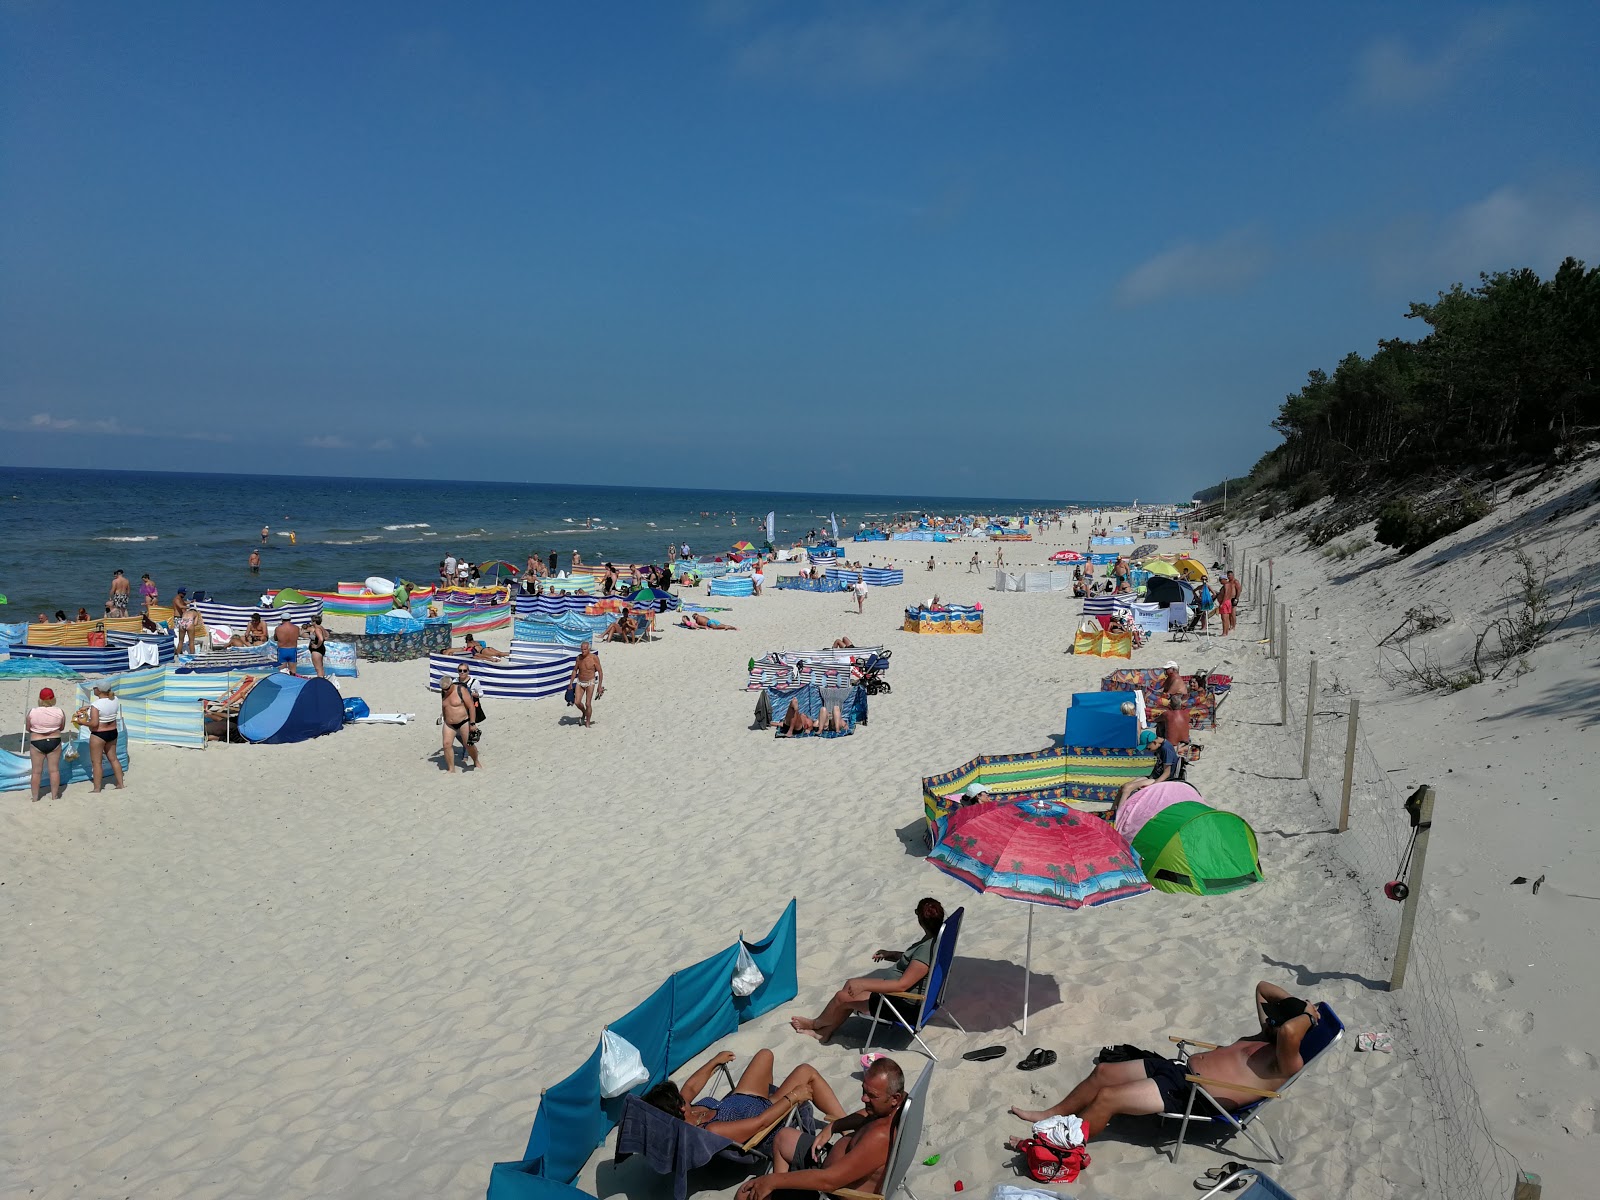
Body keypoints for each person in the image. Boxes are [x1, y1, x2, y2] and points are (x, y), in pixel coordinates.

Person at [1008, 981, 1321, 1140]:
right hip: (1179, 1073)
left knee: (1108, 1099)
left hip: (1196, 1096)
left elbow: (1292, 1031)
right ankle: (1050, 1114)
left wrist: (1306, 1015)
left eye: (1282, 1022)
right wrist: (1298, 1005)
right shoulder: (1267, 1034)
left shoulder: (1287, 1064)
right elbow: (1263, 988)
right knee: (1103, 1071)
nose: (1276, 1022)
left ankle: (1062, 1143)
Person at [736, 1057, 907, 1200]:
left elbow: (829, 1181)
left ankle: (778, 1190)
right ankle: (780, 1194)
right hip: (825, 1165)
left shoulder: (879, 1136)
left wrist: (773, 1180)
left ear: (895, 1098)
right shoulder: (897, 1107)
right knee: (783, 1137)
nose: (863, 1098)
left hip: (831, 1191)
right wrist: (833, 1126)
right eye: (864, 1091)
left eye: (872, 1096)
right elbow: (865, 1114)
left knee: (744, 1194)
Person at [791, 898, 944, 1042]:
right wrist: (890, 954)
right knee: (851, 984)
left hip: (902, 1004)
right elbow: (913, 961)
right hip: (900, 995)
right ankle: (824, 1033)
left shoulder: (926, 950)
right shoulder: (935, 938)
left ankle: (815, 1024)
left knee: (842, 997)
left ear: (920, 920)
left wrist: (864, 986)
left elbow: (902, 985)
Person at [644, 1048, 848, 1147]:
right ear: (679, 1108)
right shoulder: (711, 1130)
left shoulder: (684, 1115)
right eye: (680, 1100)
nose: (683, 1097)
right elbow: (760, 1123)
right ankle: (847, 1127)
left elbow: (690, 1086)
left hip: (742, 1097)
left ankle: (774, 1092)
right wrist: (794, 1096)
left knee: (765, 1055)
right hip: (765, 1112)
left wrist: (715, 1061)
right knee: (806, 1072)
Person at [1115, 719, 1180, 810]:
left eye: (1148, 748)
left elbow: (1167, 773)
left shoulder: (1166, 750)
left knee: (1127, 788)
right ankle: (1112, 811)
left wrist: (1153, 785)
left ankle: (1118, 815)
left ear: (1154, 742)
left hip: (1161, 780)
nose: (1148, 750)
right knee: (1123, 787)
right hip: (1153, 777)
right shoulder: (1160, 746)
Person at [74, 684, 126, 793]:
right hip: (112, 732)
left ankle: (97, 788)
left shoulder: (96, 705)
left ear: (99, 690)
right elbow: (105, 707)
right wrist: (89, 707)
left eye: (95, 688)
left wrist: (81, 722)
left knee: (96, 762)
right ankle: (120, 784)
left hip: (99, 734)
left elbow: (94, 723)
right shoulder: (114, 699)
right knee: (114, 759)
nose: (93, 689)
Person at [27, 687, 68, 802]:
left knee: (36, 772)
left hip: (37, 741)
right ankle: (54, 796)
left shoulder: (33, 711)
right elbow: (62, 727)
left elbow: (28, 728)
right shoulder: (59, 711)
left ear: (40, 699)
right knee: (54, 770)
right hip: (54, 740)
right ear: (53, 698)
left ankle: (35, 798)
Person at [440, 665, 481, 771]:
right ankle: (451, 769)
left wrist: (472, 723)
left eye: (447, 689)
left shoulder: (461, 690)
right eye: (443, 689)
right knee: (446, 744)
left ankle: (476, 761)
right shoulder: (444, 692)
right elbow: (445, 706)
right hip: (449, 723)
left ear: (451, 685)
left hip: (463, 721)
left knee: (468, 744)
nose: (445, 691)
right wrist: (442, 717)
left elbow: (471, 706)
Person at [569, 641, 603, 727]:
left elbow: (600, 672)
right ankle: (584, 712)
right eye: (582, 649)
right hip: (580, 681)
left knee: (588, 703)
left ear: (589, 649)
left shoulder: (594, 658)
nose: (583, 651)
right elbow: (574, 670)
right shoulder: (578, 658)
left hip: (590, 682)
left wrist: (599, 686)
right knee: (577, 702)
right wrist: (570, 683)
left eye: (585, 649)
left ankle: (587, 722)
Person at [172, 590, 195, 654]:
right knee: (178, 636)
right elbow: (180, 606)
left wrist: (190, 602)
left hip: (182, 619)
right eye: (184, 593)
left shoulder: (180, 599)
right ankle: (178, 652)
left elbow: (184, 603)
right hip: (177, 618)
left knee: (181, 638)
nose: (185, 594)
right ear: (180, 593)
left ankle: (179, 652)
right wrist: (190, 607)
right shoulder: (176, 599)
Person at [1220, 570, 1240, 636]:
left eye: (1230, 575)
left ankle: (1233, 626)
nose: (1229, 577)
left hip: (1234, 598)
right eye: (1228, 575)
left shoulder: (1235, 581)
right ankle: (1230, 625)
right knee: (1229, 613)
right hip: (1229, 599)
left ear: (1232, 575)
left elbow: (1239, 590)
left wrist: (1236, 598)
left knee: (1233, 613)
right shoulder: (1228, 582)